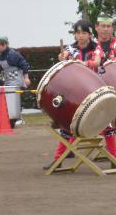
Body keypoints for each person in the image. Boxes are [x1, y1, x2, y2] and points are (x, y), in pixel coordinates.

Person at [43, 19, 104, 170]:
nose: (81, 36)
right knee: (66, 124)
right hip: (75, 93)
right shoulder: (71, 48)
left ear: (90, 34)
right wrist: (62, 57)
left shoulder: (96, 47)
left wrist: (84, 64)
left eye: (84, 32)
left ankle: (114, 159)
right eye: (78, 33)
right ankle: (58, 160)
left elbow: (97, 61)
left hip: (93, 90)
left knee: (107, 126)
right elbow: (62, 57)